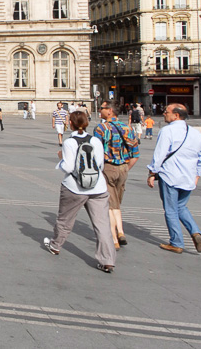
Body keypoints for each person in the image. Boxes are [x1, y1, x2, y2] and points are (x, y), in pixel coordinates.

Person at [43, 111, 116, 274]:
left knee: (65, 219)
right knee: (102, 224)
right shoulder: (96, 141)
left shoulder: (69, 142)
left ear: (71, 123)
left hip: (75, 187)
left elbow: (68, 167)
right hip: (98, 187)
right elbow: (100, 165)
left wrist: (61, 158)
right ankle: (107, 261)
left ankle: (55, 245)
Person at [146, 104, 201, 254]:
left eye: (166, 112)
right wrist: (198, 175)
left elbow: (160, 154)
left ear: (176, 115)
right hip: (188, 178)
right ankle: (195, 233)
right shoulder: (196, 134)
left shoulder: (167, 131)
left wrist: (152, 172)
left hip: (170, 176)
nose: (163, 114)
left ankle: (176, 242)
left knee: (171, 210)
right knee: (181, 206)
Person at [91, 103, 139, 248]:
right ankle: (121, 231)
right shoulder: (128, 128)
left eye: (103, 108)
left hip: (108, 167)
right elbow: (135, 154)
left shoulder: (101, 128)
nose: (100, 110)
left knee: (110, 205)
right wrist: (125, 168)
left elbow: (96, 151)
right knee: (117, 202)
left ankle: (114, 238)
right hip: (124, 167)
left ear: (110, 111)